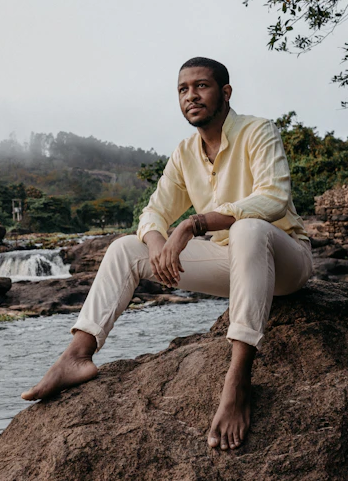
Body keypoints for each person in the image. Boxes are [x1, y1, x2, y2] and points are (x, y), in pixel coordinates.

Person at [21, 57, 313, 451]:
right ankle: (77, 355)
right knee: (126, 248)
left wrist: (192, 225)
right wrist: (158, 244)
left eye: (201, 86)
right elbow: (153, 212)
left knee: (246, 228)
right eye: (182, 89)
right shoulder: (184, 153)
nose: (191, 96)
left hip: (285, 261)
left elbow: (273, 198)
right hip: (234, 266)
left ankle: (238, 378)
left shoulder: (258, 131)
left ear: (225, 92)